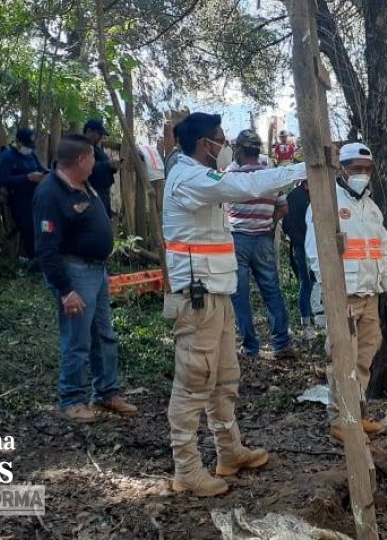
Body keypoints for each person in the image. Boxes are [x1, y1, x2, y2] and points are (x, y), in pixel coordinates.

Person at [162, 112, 307, 496]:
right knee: (194, 382)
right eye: (218, 139)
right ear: (202, 143)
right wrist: (302, 169)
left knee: (224, 379)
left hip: (216, 294)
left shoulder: (198, 175)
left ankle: (229, 452)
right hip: (197, 299)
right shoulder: (189, 177)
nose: (223, 145)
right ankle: (186, 469)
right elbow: (247, 186)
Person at [32, 134, 138, 422]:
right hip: (75, 273)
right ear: (81, 160)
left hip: (97, 271)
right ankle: (72, 399)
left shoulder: (83, 184)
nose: (96, 162)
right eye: (93, 157)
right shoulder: (50, 193)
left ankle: (107, 393)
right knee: (77, 339)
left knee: (104, 335)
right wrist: (66, 290)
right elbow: (45, 248)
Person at [305, 142, 387, 442]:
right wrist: (330, 290)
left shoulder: (371, 208)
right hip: (342, 295)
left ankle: (357, 414)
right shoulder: (327, 202)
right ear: (341, 169)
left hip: (369, 295)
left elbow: (382, 250)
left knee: (364, 358)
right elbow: (315, 251)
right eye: (356, 168)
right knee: (342, 358)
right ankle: (339, 420)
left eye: (366, 169)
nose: (362, 173)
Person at [227, 129, 294, 360]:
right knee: (272, 291)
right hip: (264, 239)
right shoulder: (270, 176)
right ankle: (281, 344)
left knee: (240, 294)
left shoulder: (232, 175)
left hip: (238, 240)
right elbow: (283, 208)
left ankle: (250, 347)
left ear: (239, 150)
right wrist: (270, 223)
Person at [0, 127, 47, 261]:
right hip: (19, 199)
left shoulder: (31, 154)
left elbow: (41, 169)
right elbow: (3, 179)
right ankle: (33, 260)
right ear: (18, 142)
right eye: (26, 145)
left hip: (36, 197)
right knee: (28, 229)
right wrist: (27, 177)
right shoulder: (7, 156)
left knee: (43, 227)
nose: (28, 148)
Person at [281, 180, 313, 330]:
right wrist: (301, 242)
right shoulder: (295, 196)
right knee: (306, 283)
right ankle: (306, 324)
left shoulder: (320, 193)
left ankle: (320, 320)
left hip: (320, 247)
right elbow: (288, 224)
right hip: (302, 247)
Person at [83, 119, 118, 217]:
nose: (101, 137)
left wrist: (113, 167)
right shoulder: (82, 147)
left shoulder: (97, 148)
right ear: (89, 131)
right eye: (99, 134)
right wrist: (107, 165)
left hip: (103, 192)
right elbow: (86, 167)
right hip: (92, 192)